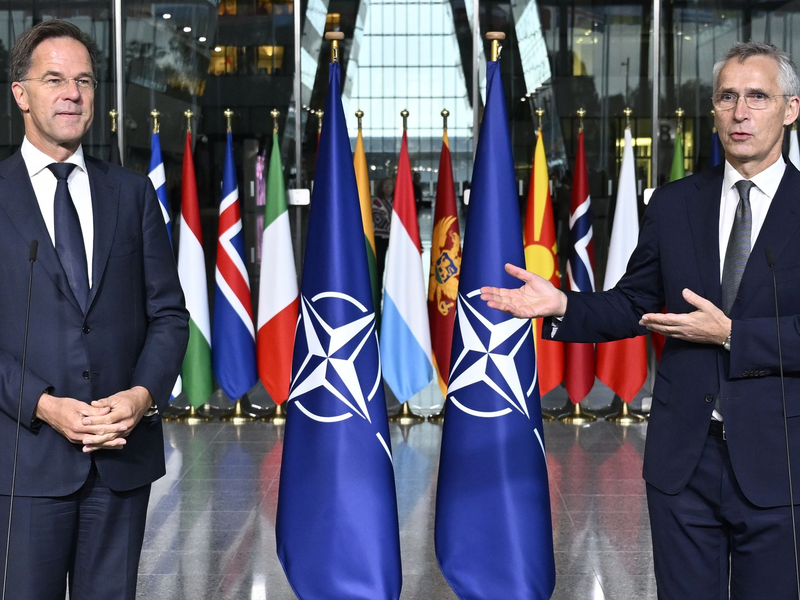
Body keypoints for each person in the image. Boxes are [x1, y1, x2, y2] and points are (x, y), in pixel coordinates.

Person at [482, 41, 800, 599]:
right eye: (728, 97)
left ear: (790, 109)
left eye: (757, 97)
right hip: (684, 466)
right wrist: (561, 305)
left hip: (784, 468)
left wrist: (730, 335)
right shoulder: (675, 204)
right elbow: (635, 302)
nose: (740, 112)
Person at [0, 20, 188, 599]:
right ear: (20, 93)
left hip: (120, 463)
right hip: (23, 465)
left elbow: (169, 315)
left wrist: (141, 397)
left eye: (84, 80)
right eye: (53, 79)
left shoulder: (131, 195)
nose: (72, 93)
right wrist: (43, 405)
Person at [372, 176, 394, 285]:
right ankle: (378, 289)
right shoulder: (377, 201)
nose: (388, 188)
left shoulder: (398, 200)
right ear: (381, 188)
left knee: (396, 266)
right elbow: (378, 219)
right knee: (380, 265)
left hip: (395, 238)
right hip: (380, 238)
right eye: (385, 185)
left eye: (390, 185)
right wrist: (395, 226)